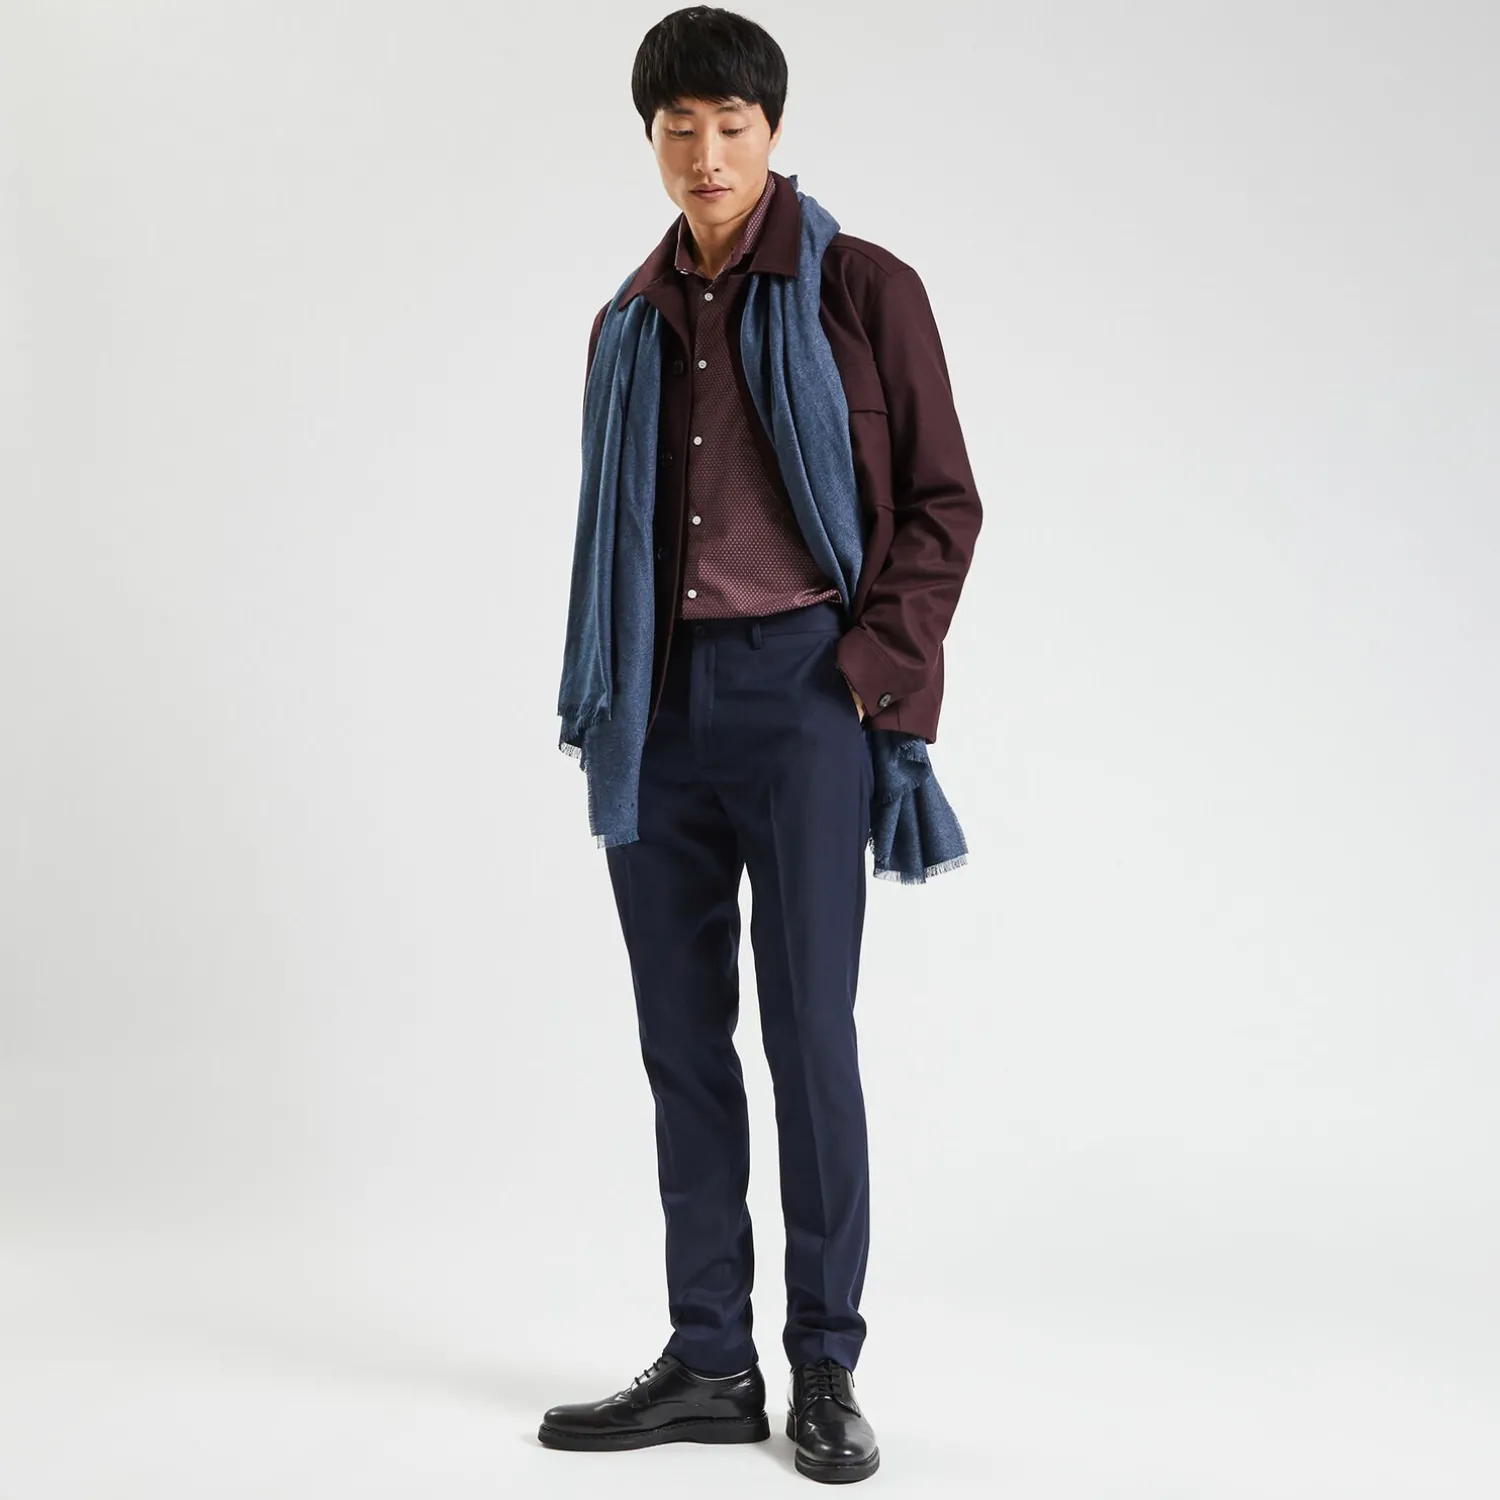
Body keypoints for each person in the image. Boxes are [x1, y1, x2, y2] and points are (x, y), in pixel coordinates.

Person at [542, 5, 983, 1484]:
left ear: (774, 131)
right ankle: (711, 1362)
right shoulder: (629, 321)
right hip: (656, 711)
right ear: (651, 139)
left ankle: (826, 1366)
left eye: (732, 126)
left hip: (805, 697)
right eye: (679, 129)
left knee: (808, 1039)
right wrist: (625, 696)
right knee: (682, 1046)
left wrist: (863, 675)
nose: (707, 155)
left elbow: (944, 504)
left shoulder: (862, 287)